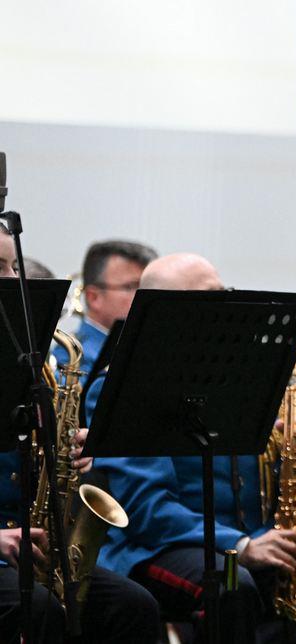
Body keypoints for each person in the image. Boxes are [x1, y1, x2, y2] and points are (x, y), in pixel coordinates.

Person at [84, 252, 296, 643]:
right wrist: (240, 545)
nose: (230, 306)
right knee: (234, 586)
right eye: (212, 296)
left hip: (249, 535)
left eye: (225, 293)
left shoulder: (240, 377)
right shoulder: (123, 385)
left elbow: (265, 478)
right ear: (169, 310)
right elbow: (146, 509)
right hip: (159, 547)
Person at [0, 224, 160, 644]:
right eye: (0, 268)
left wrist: (62, 454)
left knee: (134, 606)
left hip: (28, 543)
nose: (14, 282)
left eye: (13, 267)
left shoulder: (27, 363)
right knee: (39, 610)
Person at [61, 240, 158, 375]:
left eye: (148, 285)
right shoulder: (68, 357)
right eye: (131, 286)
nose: (146, 295)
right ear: (94, 297)